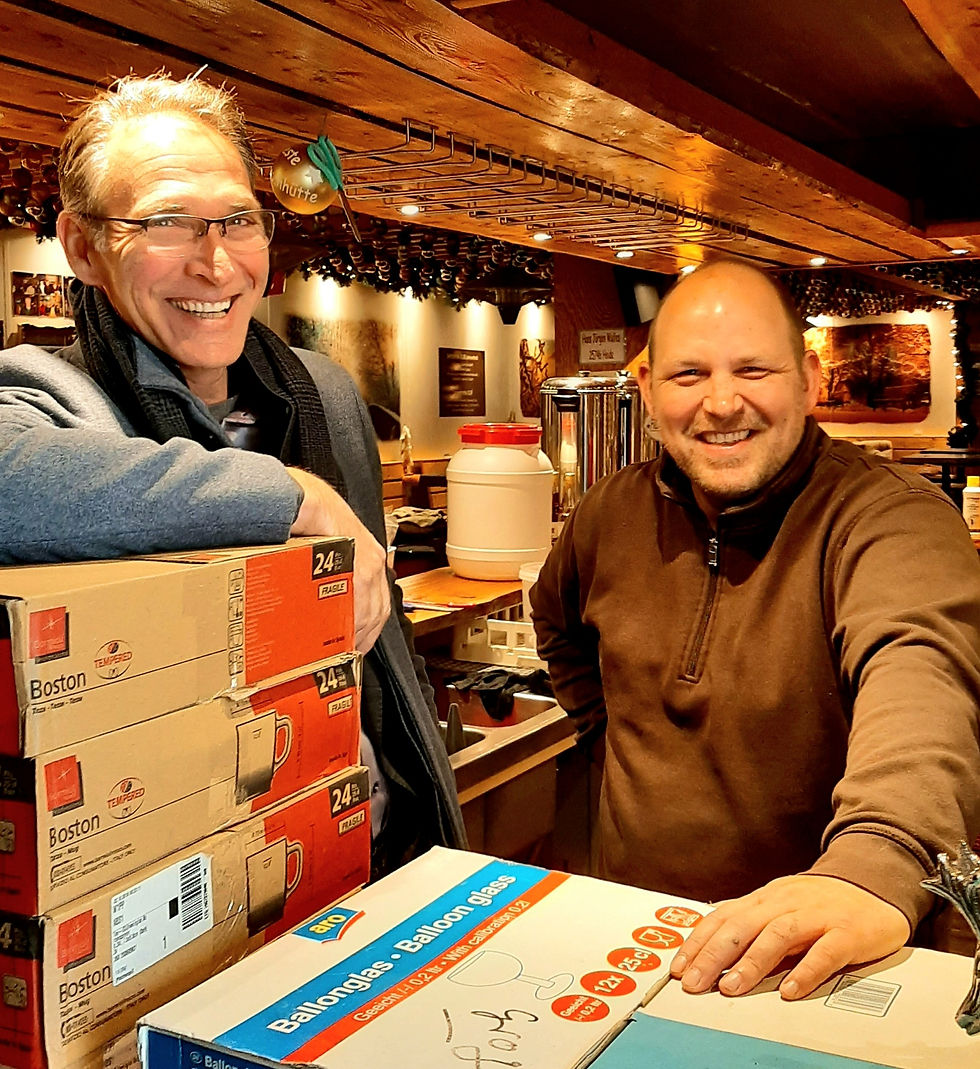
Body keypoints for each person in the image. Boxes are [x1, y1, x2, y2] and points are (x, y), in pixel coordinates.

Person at [0, 73, 465, 875]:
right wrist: (294, 496)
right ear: (82, 247)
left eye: (238, 221)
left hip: (374, 848)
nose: (216, 264)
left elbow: (377, 624)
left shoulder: (320, 394)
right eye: (168, 222)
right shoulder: (55, 395)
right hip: (185, 887)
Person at [531, 259, 980, 1000]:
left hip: (815, 966)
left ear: (808, 379)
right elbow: (556, 626)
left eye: (753, 369)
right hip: (632, 948)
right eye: (687, 375)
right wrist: (609, 734)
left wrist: (874, 859)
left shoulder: (890, 520)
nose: (720, 402)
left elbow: (922, 683)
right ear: (646, 391)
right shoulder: (607, 514)